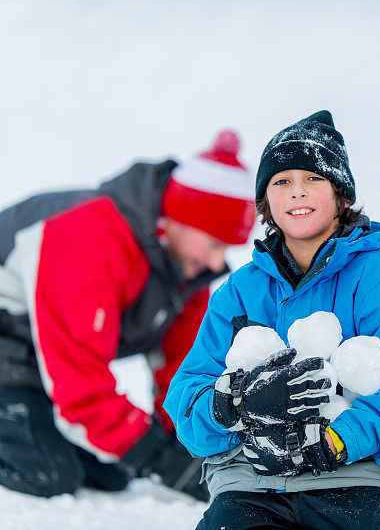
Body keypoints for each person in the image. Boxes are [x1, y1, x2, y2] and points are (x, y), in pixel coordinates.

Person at [165, 110, 380, 530]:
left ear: (341, 195)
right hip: (255, 482)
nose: (297, 193)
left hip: (362, 479)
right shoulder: (238, 292)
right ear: (266, 202)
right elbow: (187, 396)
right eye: (282, 182)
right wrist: (233, 402)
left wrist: (339, 439)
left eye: (313, 179)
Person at [0, 130, 255, 500]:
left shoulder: (183, 269)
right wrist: (156, 457)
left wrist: (188, 440)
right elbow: (79, 379)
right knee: (49, 473)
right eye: (215, 243)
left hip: (35, 362)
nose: (219, 262)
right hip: (11, 345)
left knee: (112, 475)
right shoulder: (89, 240)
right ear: (180, 218)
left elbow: (185, 367)